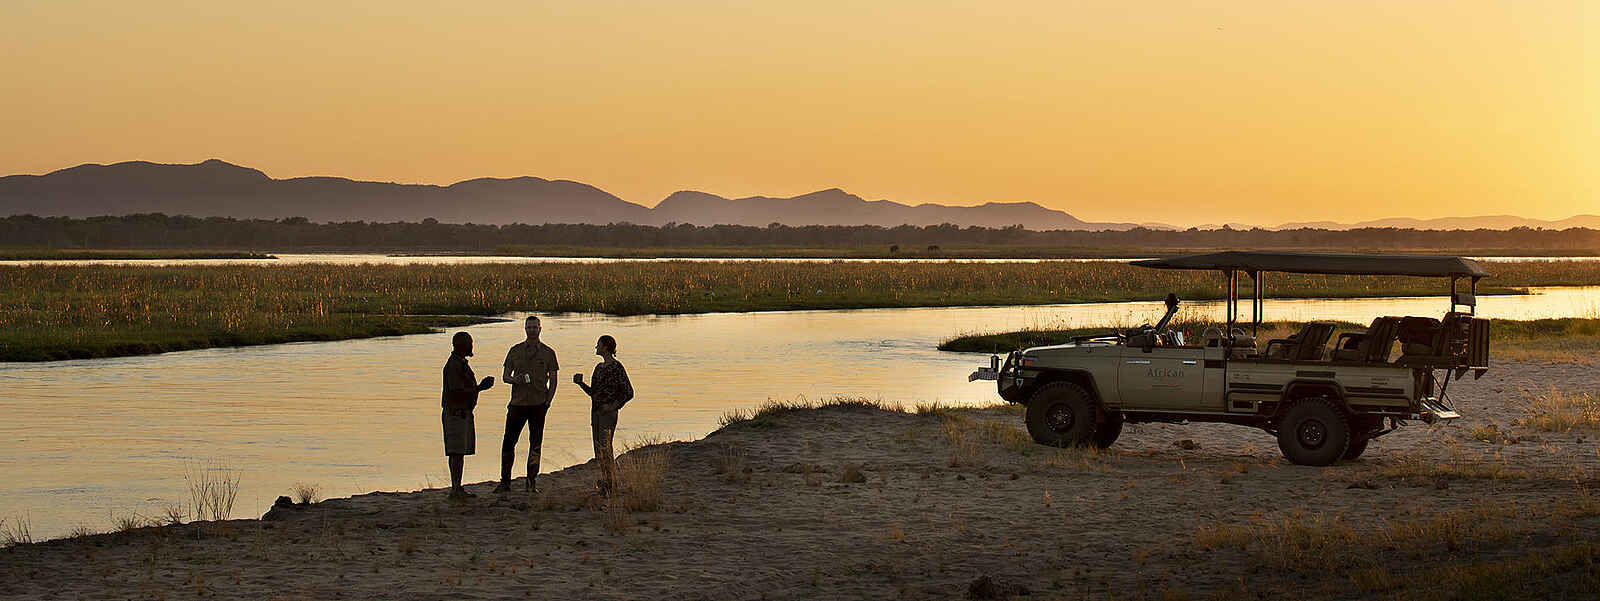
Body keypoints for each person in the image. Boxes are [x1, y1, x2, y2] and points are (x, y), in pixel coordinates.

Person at [497, 316, 559, 493]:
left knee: (536, 444)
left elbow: (553, 380)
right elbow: (505, 376)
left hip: (538, 404)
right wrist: (514, 379)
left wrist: (548, 401)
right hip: (517, 404)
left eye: (534, 327)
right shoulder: (515, 350)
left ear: (540, 329)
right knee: (509, 442)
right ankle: (505, 482)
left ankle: (531, 483)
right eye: (529, 327)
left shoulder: (548, 352)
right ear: (525, 329)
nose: (532, 330)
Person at [573, 334, 633, 494]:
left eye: (598, 344)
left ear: (606, 347)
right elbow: (594, 393)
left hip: (608, 414)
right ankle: (607, 482)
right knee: (599, 450)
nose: (596, 347)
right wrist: (580, 384)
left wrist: (613, 406)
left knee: (606, 448)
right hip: (596, 413)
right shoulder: (599, 368)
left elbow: (628, 392)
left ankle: (611, 484)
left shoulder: (616, 367)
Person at [442, 331, 494, 500]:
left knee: (459, 453)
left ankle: (457, 488)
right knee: (456, 453)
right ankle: (455, 489)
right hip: (455, 414)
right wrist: (480, 388)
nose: (472, 346)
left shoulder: (460, 363)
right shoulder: (454, 366)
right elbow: (457, 391)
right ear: (461, 346)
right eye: (469, 343)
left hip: (462, 413)